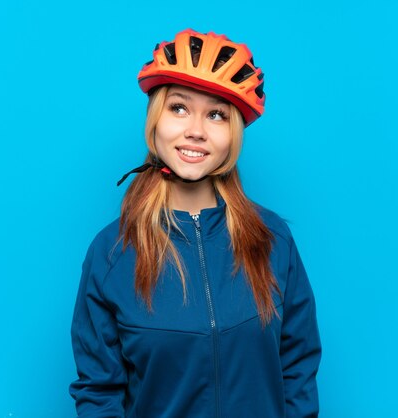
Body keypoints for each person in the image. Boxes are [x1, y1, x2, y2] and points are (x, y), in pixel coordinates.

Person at [69, 28, 322, 418]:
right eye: (179, 108)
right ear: (156, 118)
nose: (196, 131)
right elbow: (99, 392)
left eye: (217, 114)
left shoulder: (274, 240)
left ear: (233, 133)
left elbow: (298, 367)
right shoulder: (111, 253)